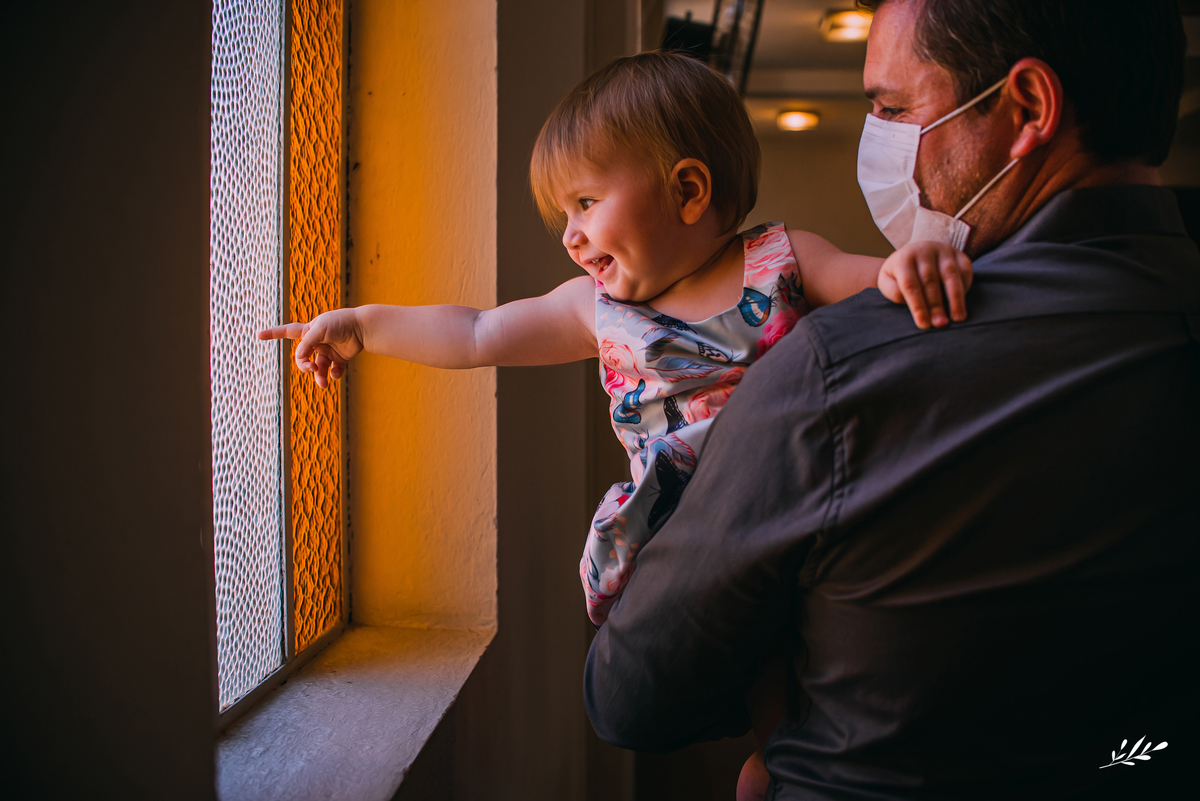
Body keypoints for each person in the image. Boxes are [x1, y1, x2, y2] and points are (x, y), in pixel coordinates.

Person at [584, 2, 1200, 800]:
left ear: (1027, 110)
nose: (875, 135)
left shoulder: (841, 372)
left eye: (891, 107)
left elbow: (633, 695)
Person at [259, 52, 971, 628]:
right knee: (747, 638)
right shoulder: (592, 310)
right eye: (563, 212)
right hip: (682, 532)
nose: (570, 234)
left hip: (801, 494)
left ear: (688, 191)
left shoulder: (784, 260)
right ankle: (768, 741)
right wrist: (363, 324)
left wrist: (911, 258)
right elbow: (477, 331)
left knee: (823, 617)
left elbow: (879, 286)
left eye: (586, 203)